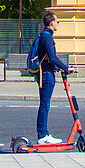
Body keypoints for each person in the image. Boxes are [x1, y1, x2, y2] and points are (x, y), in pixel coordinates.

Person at [33, 10, 75, 144]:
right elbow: (52, 57)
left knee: (45, 104)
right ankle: (42, 135)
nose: (58, 24)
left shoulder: (46, 36)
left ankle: (43, 134)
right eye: (57, 22)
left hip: (46, 73)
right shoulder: (46, 36)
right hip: (46, 75)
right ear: (52, 23)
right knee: (44, 105)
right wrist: (66, 68)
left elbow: (49, 59)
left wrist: (59, 68)